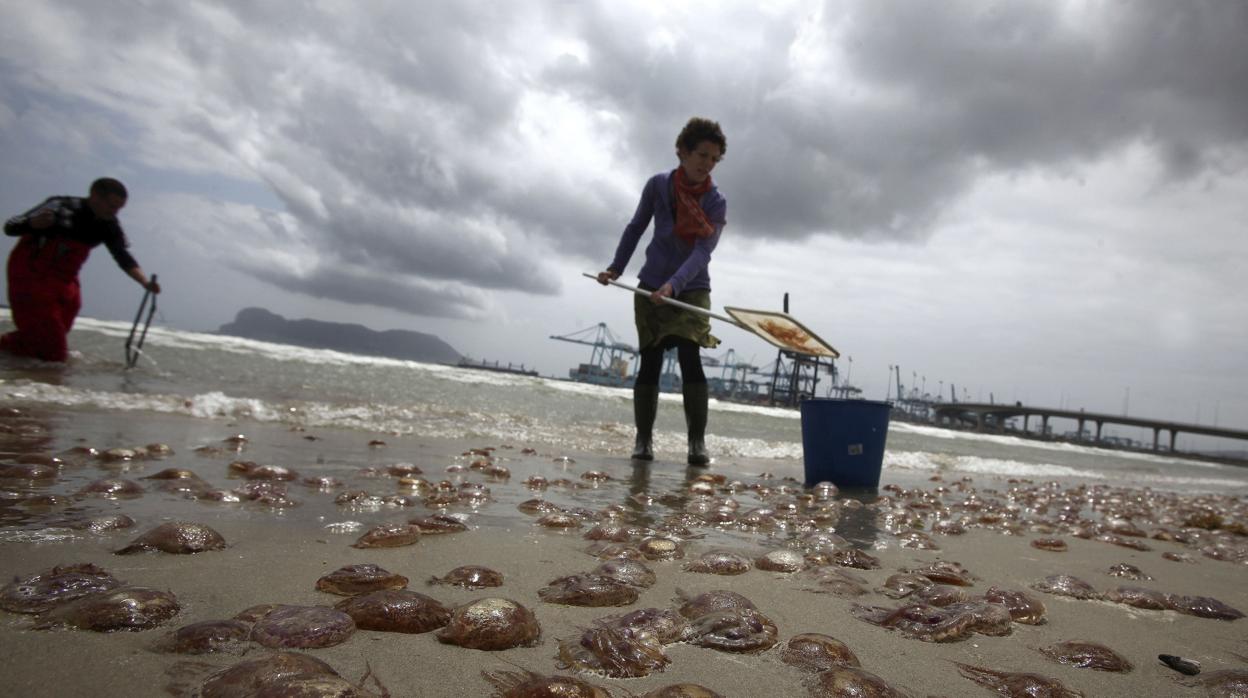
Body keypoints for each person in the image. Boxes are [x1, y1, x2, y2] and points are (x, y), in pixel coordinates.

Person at [598, 117, 727, 466]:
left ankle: (697, 444)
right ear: (682, 151)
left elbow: (703, 252)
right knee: (651, 360)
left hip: (692, 288)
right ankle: (643, 440)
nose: (707, 164)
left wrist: (675, 284)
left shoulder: (715, 202)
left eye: (714, 159)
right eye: (702, 155)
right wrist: (616, 267)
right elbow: (636, 226)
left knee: (689, 357)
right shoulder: (658, 185)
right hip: (651, 283)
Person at [2, 177, 160, 362]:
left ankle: (7, 351)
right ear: (94, 196)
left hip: (66, 280)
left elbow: (122, 256)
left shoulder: (109, 224)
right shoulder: (59, 206)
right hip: (31, 275)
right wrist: (31, 224)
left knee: (46, 337)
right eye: (111, 206)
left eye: (119, 208)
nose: (115, 212)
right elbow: (10, 226)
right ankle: (51, 384)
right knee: (54, 350)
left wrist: (144, 282)